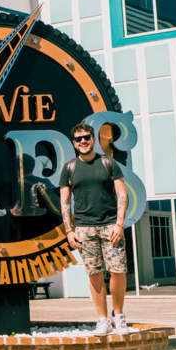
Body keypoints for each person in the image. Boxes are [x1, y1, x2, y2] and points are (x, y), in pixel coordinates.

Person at [59, 123, 129, 337]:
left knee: (118, 271)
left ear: (94, 140)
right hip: (84, 228)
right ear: (74, 143)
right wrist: (69, 231)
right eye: (78, 138)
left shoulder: (108, 163)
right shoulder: (69, 168)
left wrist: (119, 224)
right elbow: (65, 202)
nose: (83, 141)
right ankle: (102, 320)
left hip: (110, 226)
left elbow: (122, 194)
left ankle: (119, 317)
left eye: (86, 137)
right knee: (94, 274)